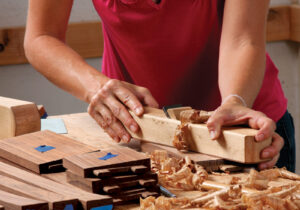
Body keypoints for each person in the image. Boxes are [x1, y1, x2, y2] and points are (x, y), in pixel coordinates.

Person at [24, 0, 295, 172]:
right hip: (139, 130)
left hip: (238, 126)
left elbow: (243, 38)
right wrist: (95, 86)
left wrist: (235, 101)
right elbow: (41, 36)